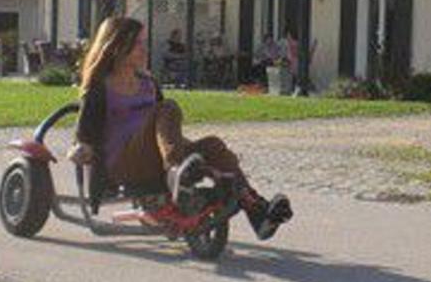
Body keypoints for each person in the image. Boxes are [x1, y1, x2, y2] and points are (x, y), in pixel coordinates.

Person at [69, 17, 292, 239]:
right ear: (116, 46)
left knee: (212, 145)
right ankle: (176, 173)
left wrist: (195, 152)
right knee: (167, 108)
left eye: (144, 42)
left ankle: (257, 211)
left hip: (156, 159)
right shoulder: (100, 88)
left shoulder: (148, 83)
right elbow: (84, 136)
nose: (144, 49)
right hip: (122, 164)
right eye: (137, 43)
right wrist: (80, 150)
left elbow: (164, 132)